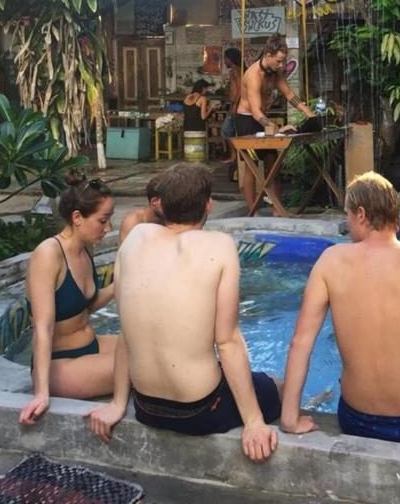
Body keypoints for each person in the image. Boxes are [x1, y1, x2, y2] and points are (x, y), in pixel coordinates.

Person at [85, 163, 280, 461]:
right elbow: (227, 342)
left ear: (160, 204)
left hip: (145, 407)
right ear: (208, 205)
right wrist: (254, 422)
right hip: (198, 410)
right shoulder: (220, 245)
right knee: (275, 383)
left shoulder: (134, 240)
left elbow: (127, 330)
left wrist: (117, 403)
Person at [279, 172, 400, 453]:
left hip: (357, 420)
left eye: (347, 215)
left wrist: (289, 418)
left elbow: (301, 342)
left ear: (361, 215)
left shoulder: (330, 261)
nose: (347, 224)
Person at [19, 173, 117, 426]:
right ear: (77, 217)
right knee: (145, 365)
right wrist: (41, 393)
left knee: (153, 345)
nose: (109, 228)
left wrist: (121, 285)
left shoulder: (86, 247)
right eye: (103, 220)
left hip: (90, 345)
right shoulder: (48, 255)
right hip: (60, 365)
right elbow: (43, 327)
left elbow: (85, 307)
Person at [234, 36, 316, 217]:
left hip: (263, 118)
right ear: (268, 55)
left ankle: (277, 210)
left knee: (273, 164)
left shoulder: (275, 71)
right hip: (247, 119)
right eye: (279, 61)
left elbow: (288, 94)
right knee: (251, 166)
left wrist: (309, 113)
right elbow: (256, 113)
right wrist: (277, 130)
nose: (281, 65)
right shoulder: (253, 75)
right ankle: (252, 211)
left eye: (283, 61)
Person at [117, 175, 164, 245]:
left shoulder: (171, 219)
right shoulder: (133, 222)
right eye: (169, 200)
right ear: (155, 201)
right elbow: (126, 254)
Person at [220, 47, 243, 163]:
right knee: (233, 130)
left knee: (226, 130)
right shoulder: (239, 70)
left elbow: (240, 89)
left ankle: (234, 156)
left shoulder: (235, 71)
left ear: (230, 59)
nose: (224, 62)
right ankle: (236, 156)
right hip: (236, 104)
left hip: (237, 104)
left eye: (225, 59)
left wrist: (234, 105)